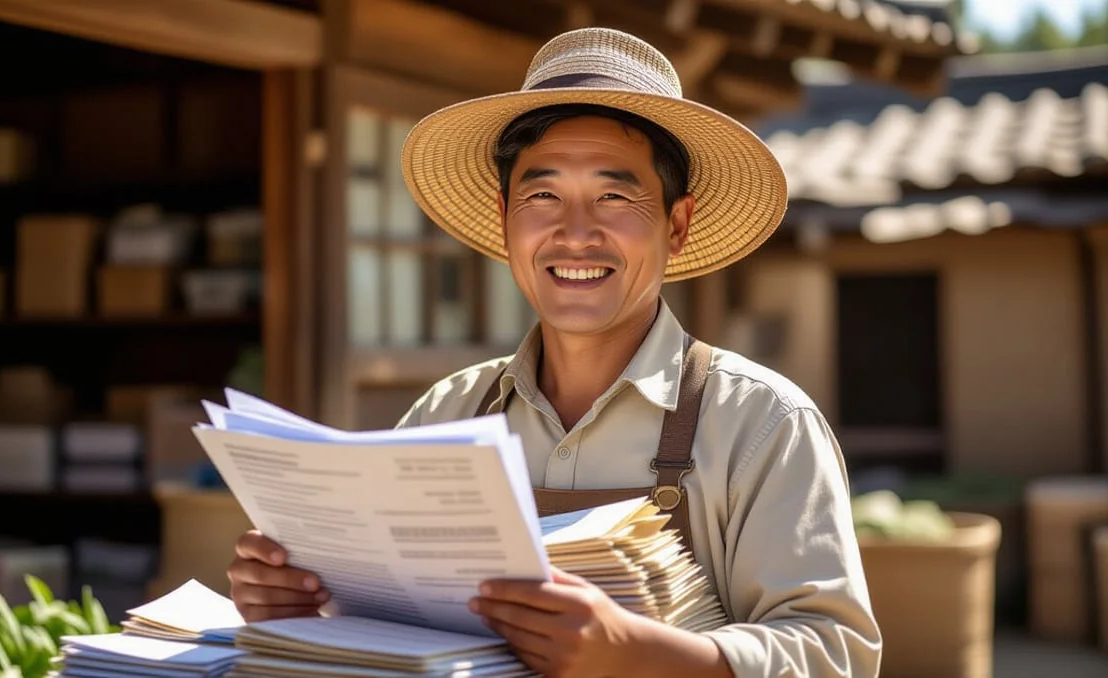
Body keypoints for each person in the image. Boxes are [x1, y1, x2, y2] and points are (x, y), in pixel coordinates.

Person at [227, 27, 880, 678]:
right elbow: (393, 629)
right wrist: (304, 609)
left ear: (676, 225)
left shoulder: (761, 423)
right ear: (504, 216)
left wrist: (641, 654)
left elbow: (833, 652)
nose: (575, 233)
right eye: (543, 196)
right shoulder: (447, 412)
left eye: (614, 196)